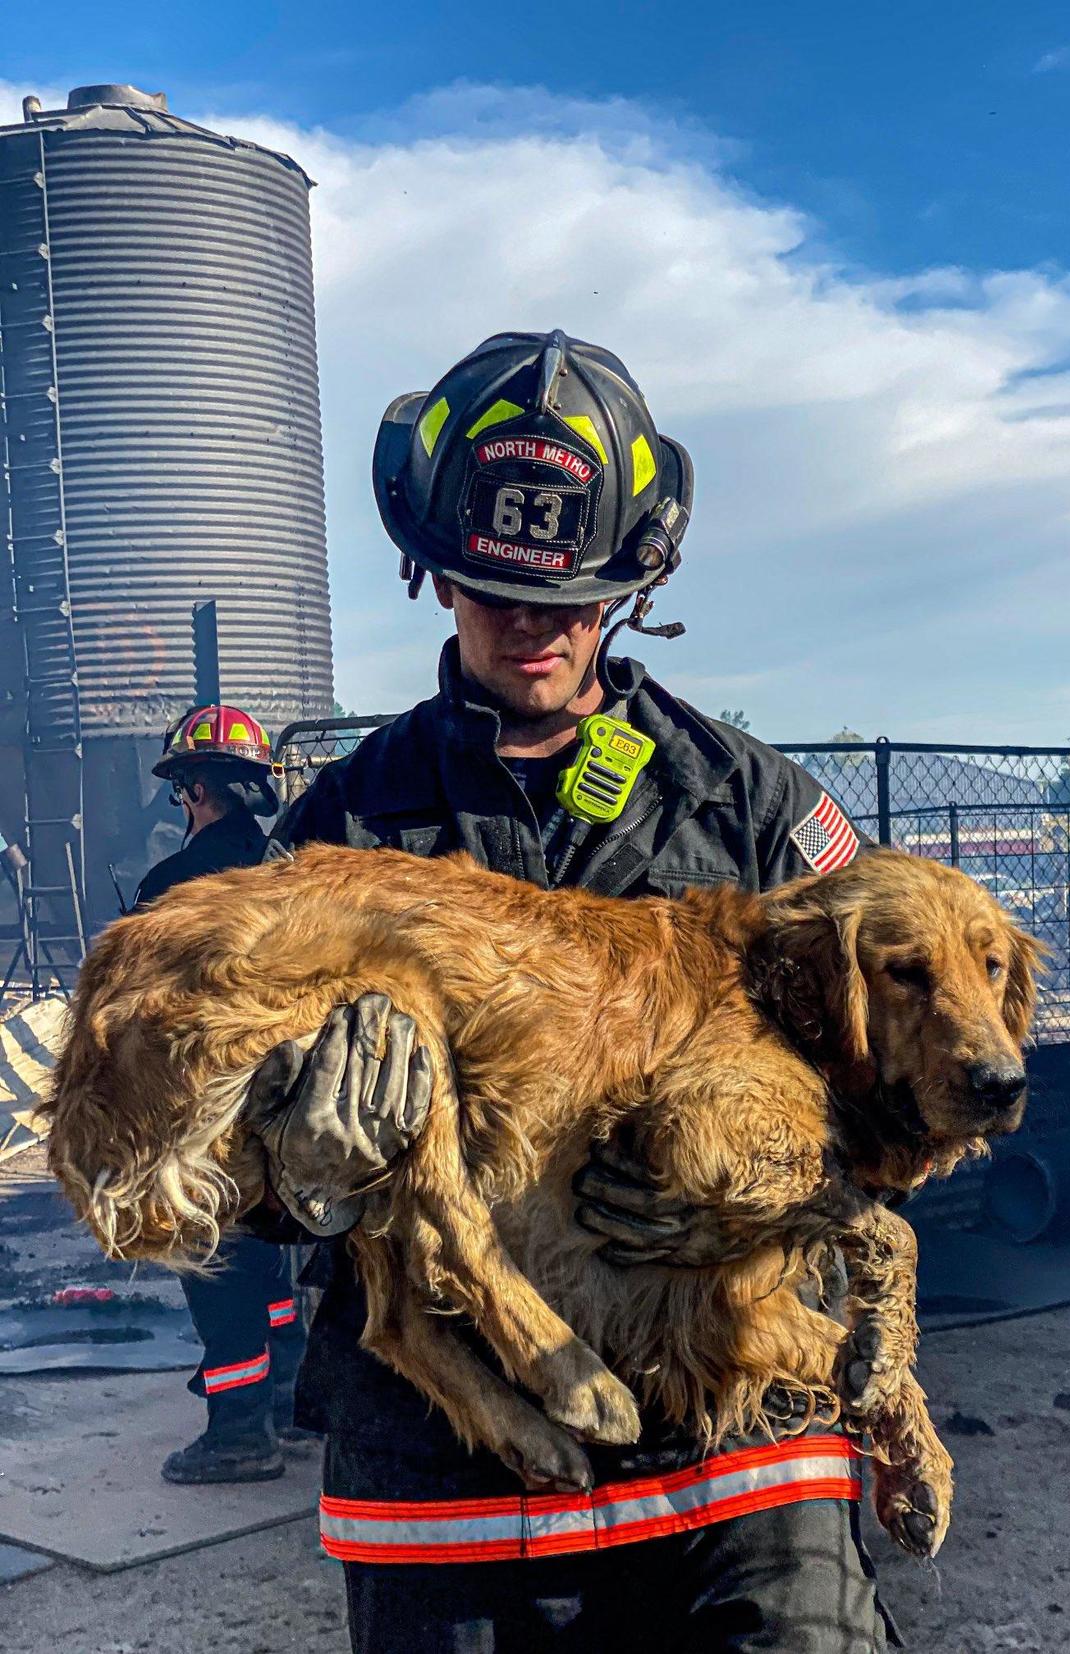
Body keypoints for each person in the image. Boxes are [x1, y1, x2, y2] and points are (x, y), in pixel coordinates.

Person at [251, 332, 896, 1650]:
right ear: (430, 569)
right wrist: (298, 1172)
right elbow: (232, 1166)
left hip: (740, 1464)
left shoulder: (756, 813)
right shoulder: (340, 838)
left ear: (636, 579)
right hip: (451, 1480)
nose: (533, 625)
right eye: (493, 588)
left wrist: (780, 1176)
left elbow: (915, 1078)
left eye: (573, 594)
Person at [136, 704, 312, 1484]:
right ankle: (290, 1400)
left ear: (193, 790)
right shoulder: (291, 875)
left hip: (207, 1118)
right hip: (291, 1112)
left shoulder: (170, 888)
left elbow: (142, 1024)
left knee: (215, 1266)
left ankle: (241, 1434)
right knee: (275, 1266)